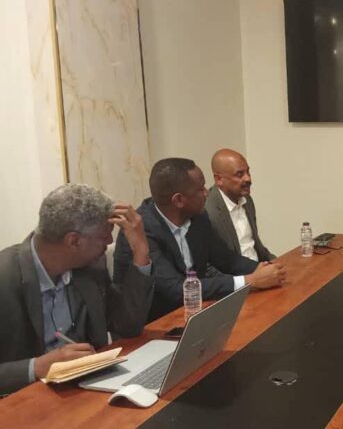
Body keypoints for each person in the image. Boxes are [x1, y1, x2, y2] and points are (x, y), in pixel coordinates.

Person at [0, 184, 153, 395]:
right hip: (24, 400)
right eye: (104, 236)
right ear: (74, 241)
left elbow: (128, 326)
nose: (110, 241)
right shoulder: (5, 277)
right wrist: (36, 367)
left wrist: (141, 252)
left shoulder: (89, 267)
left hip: (85, 389)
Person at [113, 158, 285, 321]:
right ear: (178, 200)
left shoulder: (198, 217)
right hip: (154, 326)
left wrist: (268, 270)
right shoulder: (140, 231)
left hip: (196, 314)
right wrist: (249, 280)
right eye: (200, 189)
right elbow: (177, 289)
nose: (206, 193)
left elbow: (226, 259)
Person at [205, 148, 275, 262]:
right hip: (235, 272)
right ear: (219, 179)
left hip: (258, 266)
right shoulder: (207, 210)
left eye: (248, 172)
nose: (248, 178)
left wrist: (277, 263)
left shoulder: (247, 200)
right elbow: (211, 264)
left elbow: (255, 246)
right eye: (239, 174)